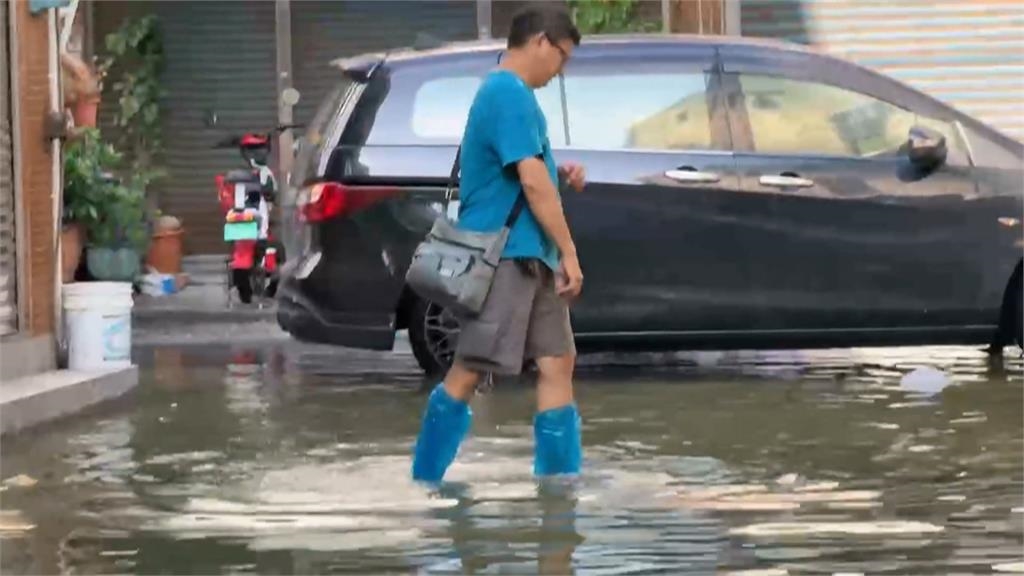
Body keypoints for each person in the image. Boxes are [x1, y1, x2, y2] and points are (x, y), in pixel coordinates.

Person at [411, 4, 586, 483]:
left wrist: (560, 172)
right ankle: (425, 479)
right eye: (563, 58)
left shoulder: (514, 96)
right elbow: (530, 182)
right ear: (541, 43)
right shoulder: (506, 93)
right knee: (471, 367)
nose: (560, 71)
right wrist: (570, 251)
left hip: (533, 254)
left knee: (557, 361)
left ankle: (559, 486)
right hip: (505, 256)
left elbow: (529, 172)